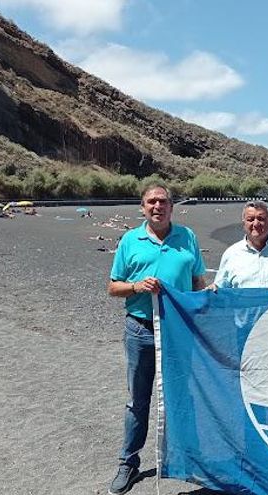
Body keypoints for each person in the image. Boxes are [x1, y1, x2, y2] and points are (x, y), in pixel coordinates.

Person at [106, 184, 207, 495]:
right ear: (143, 207)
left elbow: (198, 284)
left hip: (179, 332)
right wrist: (136, 287)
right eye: (151, 202)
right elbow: (113, 287)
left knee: (183, 397)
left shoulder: (187, 238)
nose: (157, 206)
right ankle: (128, 462)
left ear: (171, 206)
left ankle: (190, 460)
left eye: (163, 201)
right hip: (140, 330)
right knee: (138, 400)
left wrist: (213, 302)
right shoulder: (129, 240)